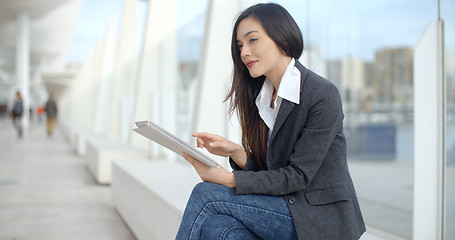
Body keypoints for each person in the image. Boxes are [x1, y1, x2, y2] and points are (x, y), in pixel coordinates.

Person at [176, 3, 366, 240]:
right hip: (285, 206)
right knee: (218, 228)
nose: (244, 52)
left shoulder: (322, 94)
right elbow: (273, 172)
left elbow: (297, 176)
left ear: (282, 39)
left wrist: (229, 178)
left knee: (206, 194)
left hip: (319, 218)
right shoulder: (262, 97)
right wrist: (237, 152)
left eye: (252, 40)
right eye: (240, 45)